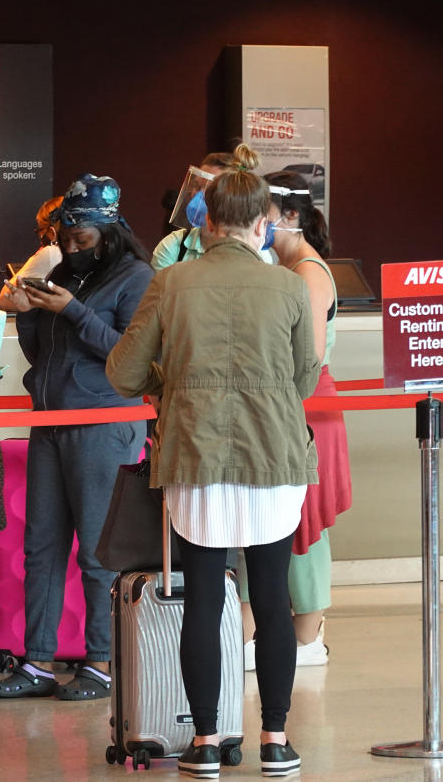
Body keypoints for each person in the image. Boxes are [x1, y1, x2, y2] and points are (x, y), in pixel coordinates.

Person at [106, 144, 320, 778]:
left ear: (204, 223)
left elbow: (122, 373)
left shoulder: (170, 281)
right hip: (274, 458)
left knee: (202, 596)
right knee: (273, 598)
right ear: (263, 224)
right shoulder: (287, 286)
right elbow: (305, 379)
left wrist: (169, 384)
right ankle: (276, 739)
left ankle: (203, 743)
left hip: (195, 455)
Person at [0, 174, 152, 701]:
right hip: (50, 421)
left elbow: (129, 355)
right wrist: (26, 314)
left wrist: (73, 311)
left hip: (104, 423)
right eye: (66, 238)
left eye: (83, 240)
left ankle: (101, 662)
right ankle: (37, 661)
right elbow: (44, 357)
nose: (72, 248)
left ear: (110, 232)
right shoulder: (63, 273)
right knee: (41, 546)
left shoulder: (136, 277)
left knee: (97, 553)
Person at [239, 170, 351, 670]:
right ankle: (276, 632)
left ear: (289, 217)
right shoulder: (284, 269)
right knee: (277, 521)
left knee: (304, 525)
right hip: (285, 404)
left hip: (304, 407)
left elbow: (301, 357)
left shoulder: (307, 272)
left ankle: (307, 638)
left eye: (263, 214)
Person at [151, 152, 273, 270]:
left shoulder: (258, 254)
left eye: (209, 188)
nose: (196, 194)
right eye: (197, 186)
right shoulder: (174, 246)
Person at [0, 196, 63, 311]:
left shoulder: (51, 253)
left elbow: (5, 299)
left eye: (41, 230)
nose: (40, 237)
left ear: (52, 232)